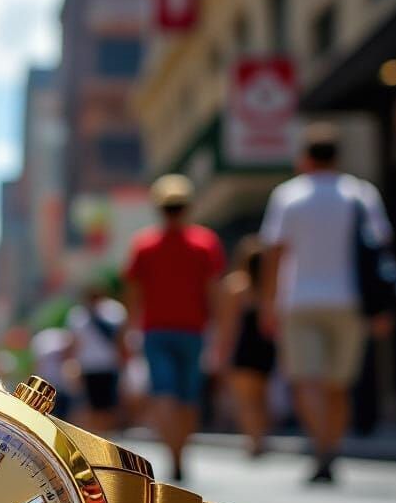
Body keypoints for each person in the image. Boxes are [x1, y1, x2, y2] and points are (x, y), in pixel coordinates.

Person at [259, 123, 393, 483]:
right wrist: (382, 306)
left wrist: (268, 303)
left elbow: (274, 252)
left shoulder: (289, 195)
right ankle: (330, 448)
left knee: (305, 382)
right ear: (338, 157)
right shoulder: (361, 194)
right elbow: (381, 246)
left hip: (299, 301)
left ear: (305, 158)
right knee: (337, 385)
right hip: (349, 301)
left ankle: (321, 447)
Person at [125, 174, 225, 481]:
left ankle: (174, 454)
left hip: (157, 332)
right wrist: (219, 328)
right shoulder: (205, 243)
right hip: (192, 331)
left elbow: (134, 294)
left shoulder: (144, 244)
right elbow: (213, 290)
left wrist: (129, 329)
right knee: (187, 397)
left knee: (165, 394)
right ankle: (181, 452)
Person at [215, 236, 276, 457]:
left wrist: (221, 352)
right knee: (262, 396)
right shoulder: (270, 287)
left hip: (243, 348)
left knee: (246, 400)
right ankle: (262, 436)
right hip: (266, 347)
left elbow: (228, 324)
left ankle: (255, 440)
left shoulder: (235, 286)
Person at [66, 284, 126, 432]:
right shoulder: (78, 315)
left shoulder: (114, 311)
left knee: (108, 406)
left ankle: (105, 434)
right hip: (88, 367)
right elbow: (74, 343)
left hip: (108, 366)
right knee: (90, 405)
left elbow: (120, 338)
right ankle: (95, 433)